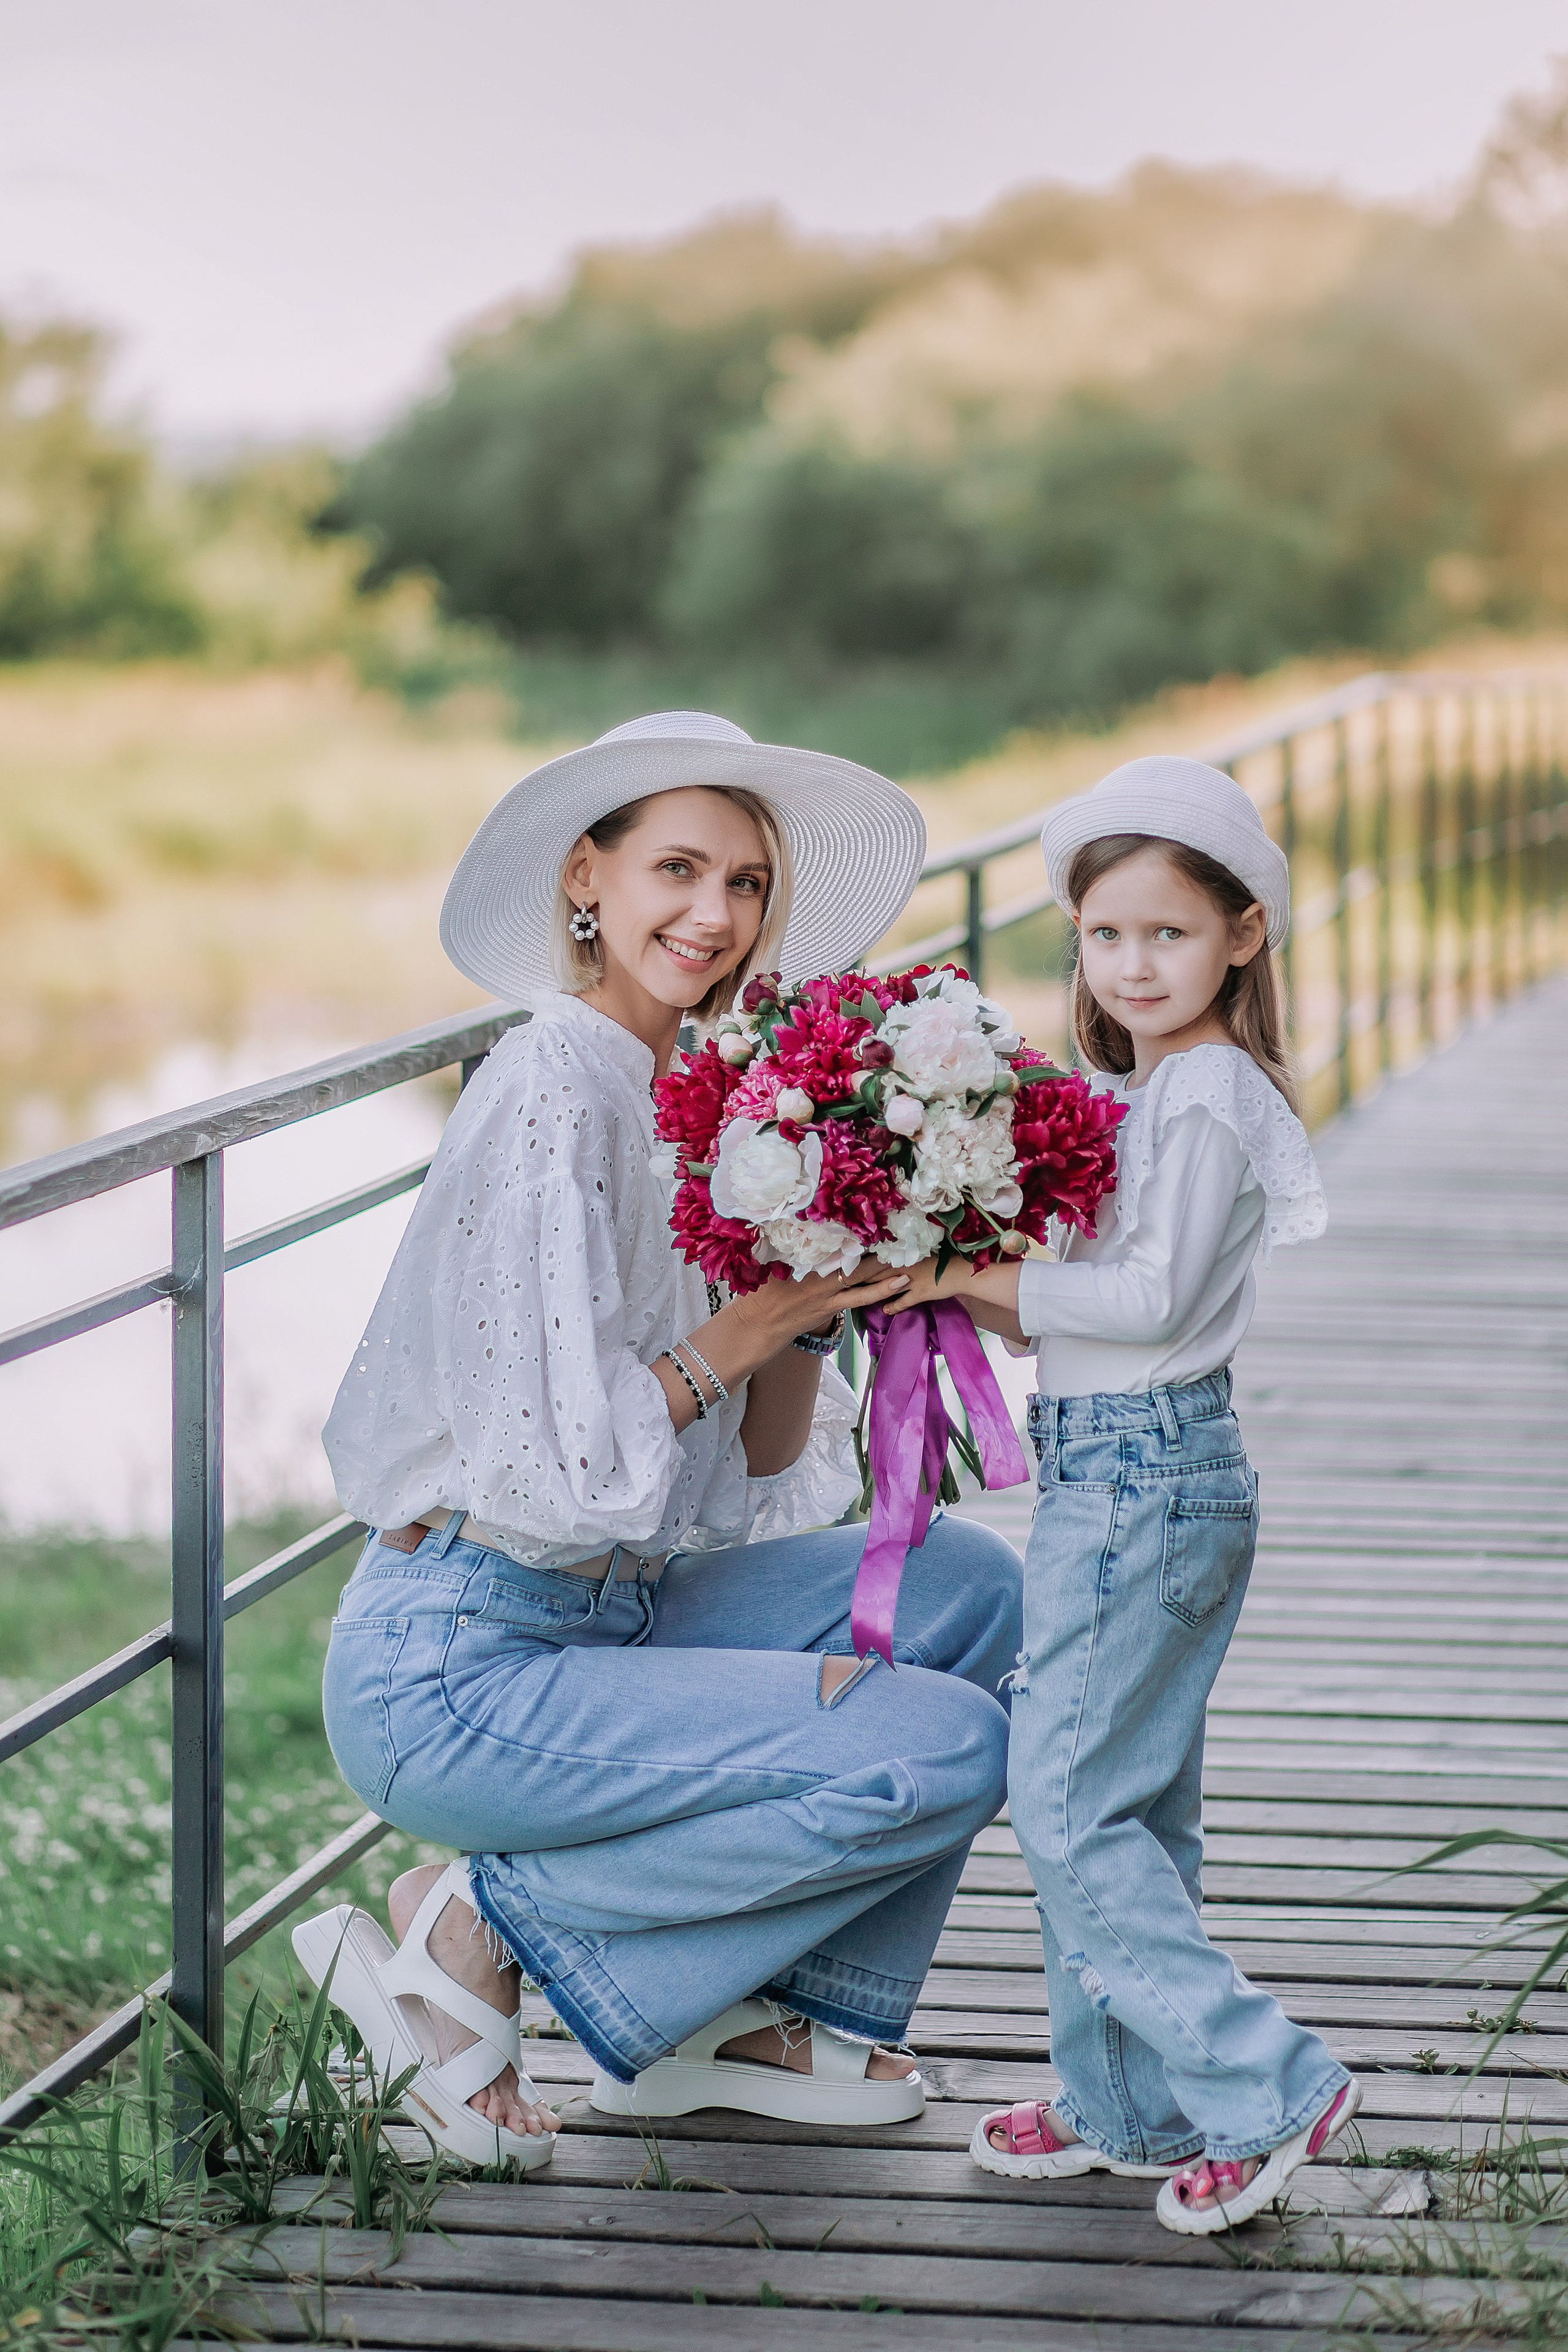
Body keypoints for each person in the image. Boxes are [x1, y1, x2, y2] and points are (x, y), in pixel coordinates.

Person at [290, 710, 1022, 2172]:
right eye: (676, 870)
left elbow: (753, 1482)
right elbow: (557, 1476)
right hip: (462, 1656)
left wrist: (830, 1282)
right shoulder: (551, 1085)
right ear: (586, 877)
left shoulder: (702, 1096)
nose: (713, 915)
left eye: (744, 884)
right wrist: (740, 1329)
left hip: (612, 1614)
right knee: (942, 1747)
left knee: (963, 1589)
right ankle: (474, 1928)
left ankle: (725, 2017)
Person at [884, 756, 1358, 2236]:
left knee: (1067, 1801)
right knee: (1125, 1803)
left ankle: (1264, 2080)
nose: (1132, 963)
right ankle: (1124, 2103)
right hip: (1126, 1470)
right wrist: (949, 1258)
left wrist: (967, 1271)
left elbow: (1146, 1303)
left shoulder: (1207, 1092)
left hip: (1146, 1476)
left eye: (1166, 932)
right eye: (1103, 936)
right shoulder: (1152, 1090)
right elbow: (1094, 1304)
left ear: (1242, 936)